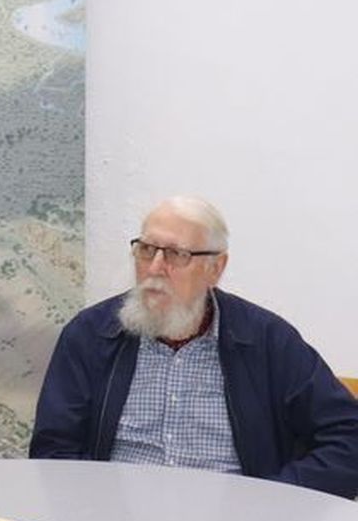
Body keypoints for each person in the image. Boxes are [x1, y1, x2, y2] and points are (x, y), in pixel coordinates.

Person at [30, 195, 358, 497]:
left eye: (176, 254)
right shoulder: (91, 335)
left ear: (215, 268)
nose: (155, 267)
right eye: (146, 249)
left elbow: (348, 438)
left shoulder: (267, 340)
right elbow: (53, 451)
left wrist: (271, 500)